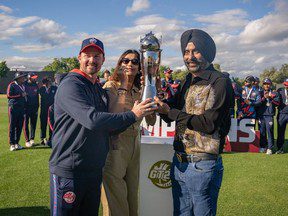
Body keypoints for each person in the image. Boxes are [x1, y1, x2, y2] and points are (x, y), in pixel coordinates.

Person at [49, 38, 156, 215]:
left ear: (103, 59)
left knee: (127, 200)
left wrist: (151, 88)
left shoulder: (96, 87)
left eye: (97, 56)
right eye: (88, 55)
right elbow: (94, 120)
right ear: (79, 57)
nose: (92, 60)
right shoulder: (72, 84)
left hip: (95, 166)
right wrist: (133, 113)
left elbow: (112, 124)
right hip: (71, 168)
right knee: (114, 204)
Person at [155, 29, 233, 216]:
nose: (189, 57)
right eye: (186, 52)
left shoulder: (220, 82)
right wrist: (156, 98)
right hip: (179, 162)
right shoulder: (187, 81)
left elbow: (208, 124)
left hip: (202, 165)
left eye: (195, 51)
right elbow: (170, 114)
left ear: (207, 53)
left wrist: (171, 111)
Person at [102, 49, 156, 216]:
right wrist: (124, 85)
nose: (129, 64)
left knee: (132, 198)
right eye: (125, 61)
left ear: (140, 67)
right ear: (119, 64)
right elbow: (113, 117)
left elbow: (152, 121)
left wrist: (152, 94)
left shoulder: (140, 90)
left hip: (135, 144)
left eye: (134, 61)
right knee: (115, 201)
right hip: (115, 144)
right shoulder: (111, 86)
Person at [257, 78, 279, 155]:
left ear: (270, 85)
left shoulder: (274, 93)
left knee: (269, 131)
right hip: (261, 115)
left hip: (269, 115)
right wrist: (264, 98)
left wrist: (271, 98)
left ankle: (270, 148)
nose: (266, 85)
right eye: (265, 84)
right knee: (262, 131)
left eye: (268, 84)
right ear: (263, 85)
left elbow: (277, 103)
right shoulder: (259, 93)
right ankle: (263, 146)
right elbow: (257, 103)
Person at [7, 71, 27, 151]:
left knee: (19, 126)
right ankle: (12, 144)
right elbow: (9, 95)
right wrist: (20, 95)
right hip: (13, 107)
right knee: (12, 125)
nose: (24, 78)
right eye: (22, 77)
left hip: (21, 108)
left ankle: (16, 143)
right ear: (18, 78)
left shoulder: (23, 85)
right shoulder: (12, 85)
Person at [47, 73, 68, 147]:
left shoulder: (66, 87)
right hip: (53, 107)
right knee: (52, 124)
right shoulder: (52, 87)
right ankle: (51, 140)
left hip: (63, 109)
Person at [39, 76, 57, 145]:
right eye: (47, 82)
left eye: (49, 81)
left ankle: (51, 138)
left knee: (51, 124)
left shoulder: (55, 88)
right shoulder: (41, 89)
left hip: (52, 110)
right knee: (43, 124)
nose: (48, 83)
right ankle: (42, 138)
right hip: (43, 109)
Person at [23, 72, 39, 147]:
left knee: (33, 124)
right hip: (26, 108)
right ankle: (27, 140)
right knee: (26, 124)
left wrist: (37, 106)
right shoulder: (24, 84)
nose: (35, 78)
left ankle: (32, 139)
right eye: (34, 77)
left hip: (34, 107)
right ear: (29, 78)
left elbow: (37, 97)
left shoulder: (36, 84)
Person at [276, 78, 288, 154]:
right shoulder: (280, 90)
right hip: (282, 114)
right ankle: (280, 148)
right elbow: (276, 101)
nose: (287, 86)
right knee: (280, 132)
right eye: (286, 85)